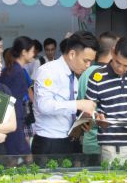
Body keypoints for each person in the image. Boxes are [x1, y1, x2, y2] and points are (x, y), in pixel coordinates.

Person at [31, 31, 98, 160]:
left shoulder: (73, 77)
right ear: (72, 54)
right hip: (49, 142)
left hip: (69, 140)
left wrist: (83, 120)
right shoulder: (48, 71)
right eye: (86, 60)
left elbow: (66, 109)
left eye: (91, 61)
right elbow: (44, 105)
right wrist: (78, 104)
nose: (88, 65)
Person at [77, 31, 118, 157]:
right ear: (114, 50)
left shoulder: (85, 72)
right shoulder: (107, 74)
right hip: (105, 143)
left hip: (89, 141)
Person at [0, 36, 37, 156]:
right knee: (21, 157)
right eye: (32, 51)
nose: (34, 54)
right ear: (24, 52)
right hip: (14, 121)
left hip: (8, 120)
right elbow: (15, 102)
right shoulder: (18, 72)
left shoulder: (10, 69)